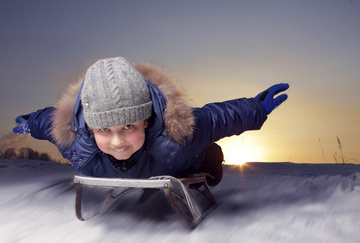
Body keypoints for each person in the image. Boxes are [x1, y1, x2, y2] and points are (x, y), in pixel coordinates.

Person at [13, 57, 289, 186]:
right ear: (88, 127)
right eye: (105, 130)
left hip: (181, 161)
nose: (118, 141)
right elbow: (47, 121)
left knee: (205, 158)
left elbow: (218, 118)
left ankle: (212, 156)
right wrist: (29, 122)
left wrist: (256, 107)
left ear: (146, 121)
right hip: (150, 164)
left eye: (128, 127)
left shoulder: (179, 135)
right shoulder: (76, 143)